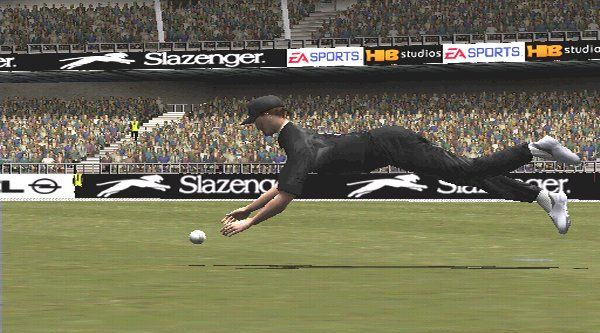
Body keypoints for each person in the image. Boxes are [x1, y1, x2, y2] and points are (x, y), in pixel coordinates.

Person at [221, 95, 581, 237]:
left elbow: (284, 198)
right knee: (469, 177)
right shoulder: (294, 137)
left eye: (255, 121)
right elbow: (284, 184)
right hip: (389, 146)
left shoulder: (296, 143)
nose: (254, 127)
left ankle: (533, 148)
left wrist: (249, 222)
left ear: (269, 115)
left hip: (391, 145)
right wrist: (248, 207)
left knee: (466, 171)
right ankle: (543, 197)